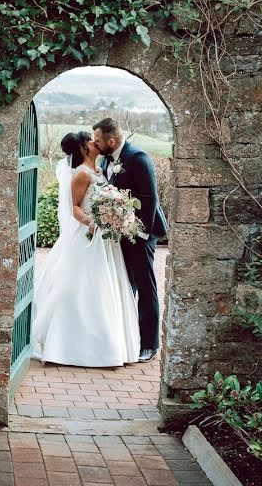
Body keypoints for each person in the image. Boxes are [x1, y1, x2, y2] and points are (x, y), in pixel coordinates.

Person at [30, 131, 141, 367]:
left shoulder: (99, 170)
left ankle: (110, 344)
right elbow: (74, 209)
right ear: (83, 148)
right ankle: (72, 345)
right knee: (85, 287)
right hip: (88, 238)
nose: (95, 142)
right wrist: (95, 224)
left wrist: (116, 217)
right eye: (91, 140)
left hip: (105, 241)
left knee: (106, 286)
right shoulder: (81, 174)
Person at [92, 117, 168, 362]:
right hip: (121, 233)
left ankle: (149, 344)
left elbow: (149, 199)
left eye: (97, 139)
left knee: (146, 287)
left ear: (111, 140)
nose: (95, 143)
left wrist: (141, 232)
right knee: (126, 285)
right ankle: (128, 339)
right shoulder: (106, 160)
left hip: (142, 234)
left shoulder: (138, 158)